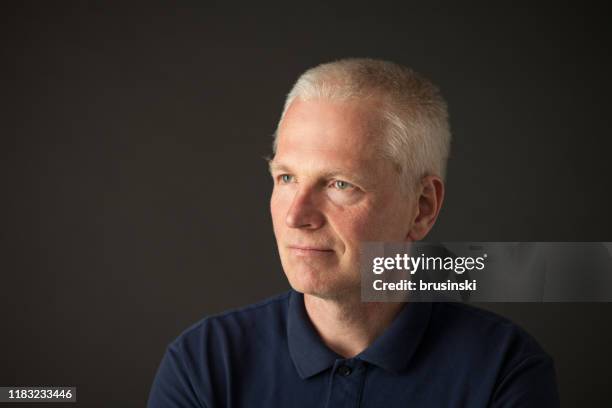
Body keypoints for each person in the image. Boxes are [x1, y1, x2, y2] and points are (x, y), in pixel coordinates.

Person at [147, 58, 560, 407]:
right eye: (287, 177)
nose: (296, 216)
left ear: (422, 208)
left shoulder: (503, 371)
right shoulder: (203, 365)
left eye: (339, 184)